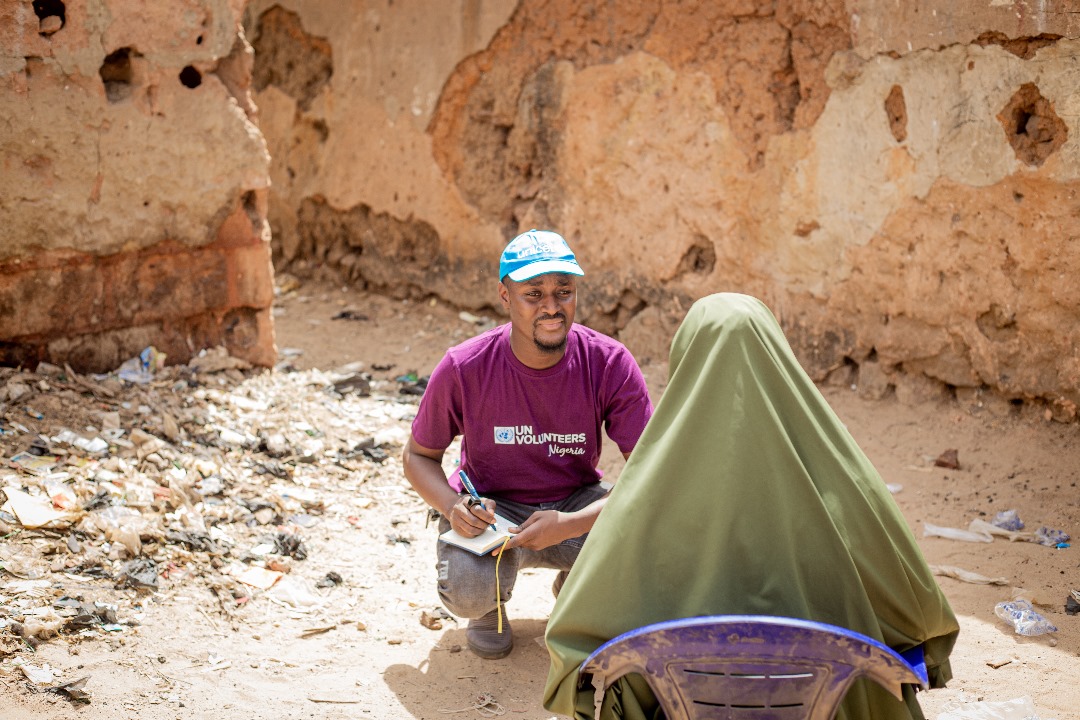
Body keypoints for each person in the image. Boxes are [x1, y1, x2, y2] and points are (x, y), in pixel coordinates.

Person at [543, 293, 959, 720]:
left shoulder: (647, 496)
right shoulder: (846, 481)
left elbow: (575, 635)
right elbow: (923, 619)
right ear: (779, 358)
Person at [402, 229, 654, 660]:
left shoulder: (609, 362)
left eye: (563, 291)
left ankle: (578, 591)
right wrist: (453, 507)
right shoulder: (465, 366)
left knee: (650, 548)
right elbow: (417, 456)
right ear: (505, 296)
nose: (551, 306)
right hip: (492, 513)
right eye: (533, 294)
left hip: (575, 504)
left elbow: (650, 473)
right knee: (467, 589)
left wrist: (571, 524)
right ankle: (488, 608)